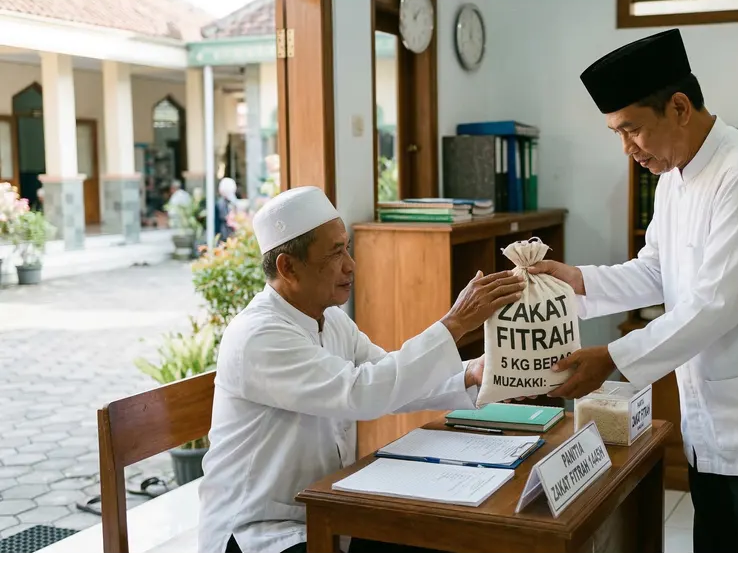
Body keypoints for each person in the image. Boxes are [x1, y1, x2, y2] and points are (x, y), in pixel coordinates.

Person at [530, 29, 738, 560]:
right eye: (617, 134)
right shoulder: (673, 178)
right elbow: (657, 270)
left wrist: (611, 357)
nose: (628, 148)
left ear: (678, 107)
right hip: (713, 427)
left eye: (632, 130)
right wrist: (578, 280)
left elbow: (715, 305)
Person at [197, 186, 525, 559]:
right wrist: (454, 323)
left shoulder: (331, 319)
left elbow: (390, 380)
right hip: (260, 532)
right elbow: (362, 393)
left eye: (347, 248)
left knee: (433, 541)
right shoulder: (258, 336)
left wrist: (475, 373)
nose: (351, 265)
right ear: (288, 266)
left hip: (327, 510)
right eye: (335, 253)